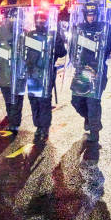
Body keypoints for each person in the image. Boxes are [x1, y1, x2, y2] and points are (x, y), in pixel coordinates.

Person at [70, 2, 111, 142]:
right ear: (85, 15)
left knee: (93, 102)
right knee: (76, 101)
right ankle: (89, 118)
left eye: (94, 14)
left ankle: (95, 133)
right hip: (82, 70)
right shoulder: (80, 28)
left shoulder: (104, 27)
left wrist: (104, 52)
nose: (91, 17)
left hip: (97, 70)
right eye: (89, 15)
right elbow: (73, 48)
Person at [25, 7, 67, 144]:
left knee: (44, 102)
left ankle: (44, 128)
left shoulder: (52, 35)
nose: (40, 22)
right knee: (34, 101)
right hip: (32, 74)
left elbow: (62, 52)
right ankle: (38, 126)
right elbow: (23, 53)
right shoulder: (30, 35)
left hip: (46, 73)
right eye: (38, 19)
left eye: (42, 20)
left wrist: (56, 44)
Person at [0, 7, 23, 134]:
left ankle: (14, 122)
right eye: (12, 17)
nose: (14, 20)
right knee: (8, 98)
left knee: (16, 98)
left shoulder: (24, 33)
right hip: (4, 70)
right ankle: (11, 118)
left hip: (18, 72)